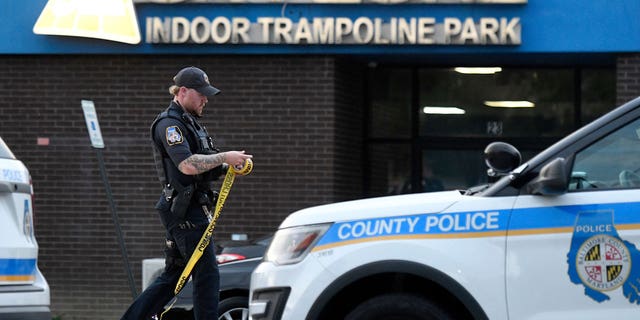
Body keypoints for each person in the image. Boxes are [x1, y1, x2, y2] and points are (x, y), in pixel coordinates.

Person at [120, 66, 252, 320]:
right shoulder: (170, 125)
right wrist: (225, 156)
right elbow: (188, 165)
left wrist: (229, 167)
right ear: (182, 91)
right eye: (201, 93)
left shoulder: (190, 123)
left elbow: (203, 170)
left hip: (191, 208)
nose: (205, 99)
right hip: (185, 211)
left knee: (174, 276)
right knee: (207, 275)